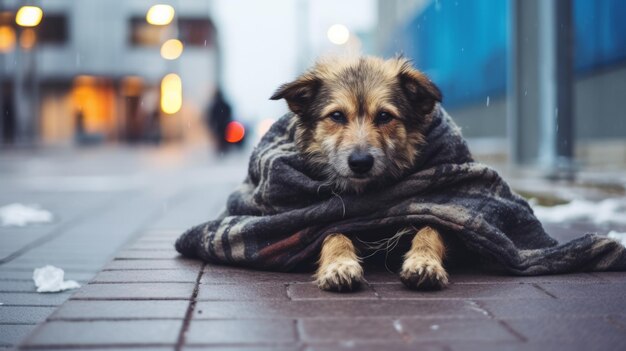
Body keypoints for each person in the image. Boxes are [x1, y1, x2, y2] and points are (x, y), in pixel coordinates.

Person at [207, 89, 232, 153]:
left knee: (220, 139)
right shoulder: (225, 105)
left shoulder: (214, 106)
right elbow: (229, 113)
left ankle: (221, 151)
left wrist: (212, 125)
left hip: (219, 126)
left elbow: (211, 117)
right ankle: (224, 151)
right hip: (224, 125)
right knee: (224, 139)